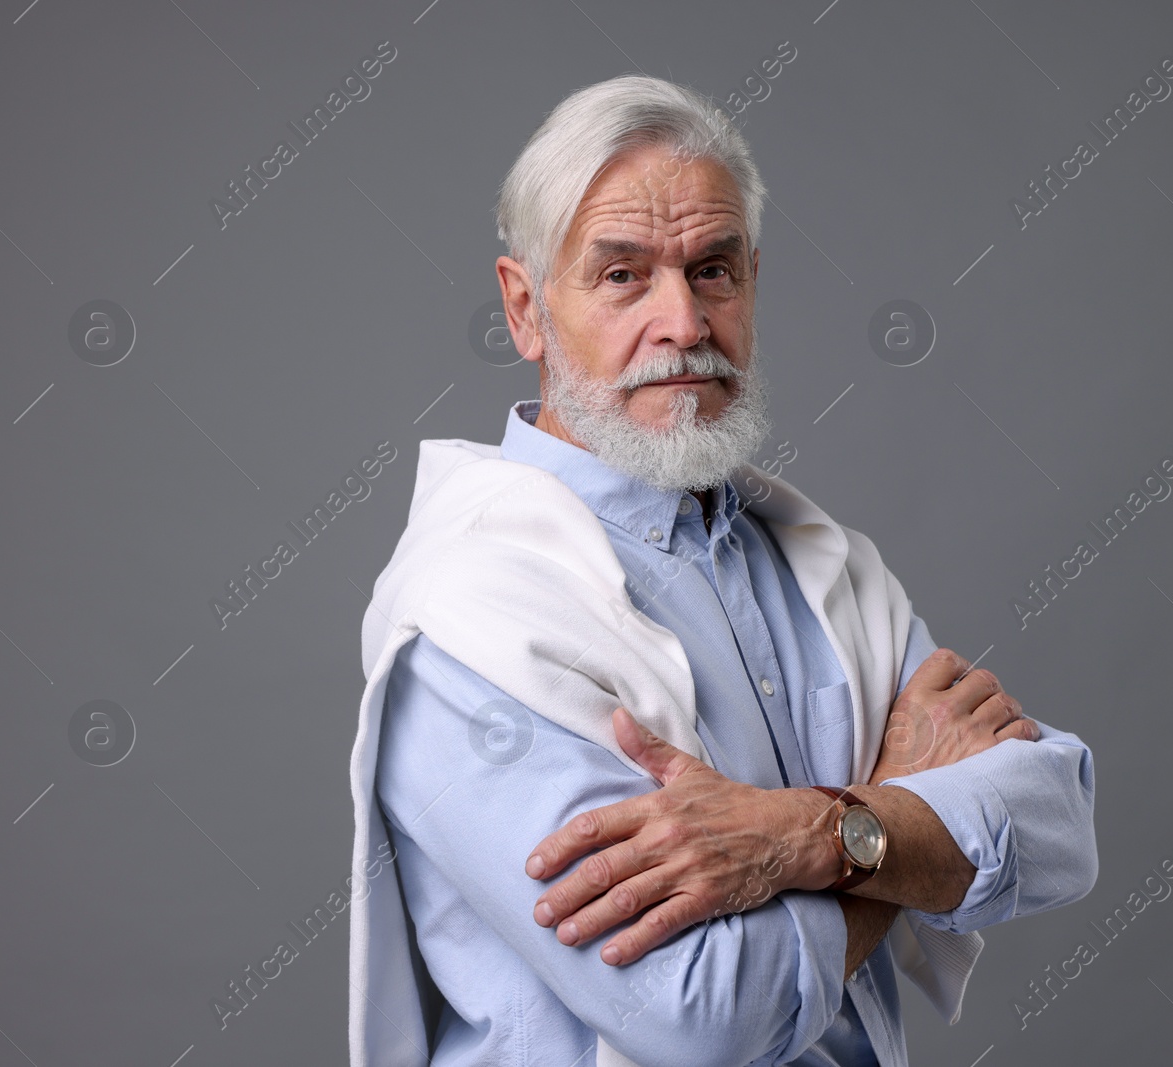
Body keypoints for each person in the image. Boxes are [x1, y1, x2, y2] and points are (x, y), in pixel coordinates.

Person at [347, 74, 1098, 1067]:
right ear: (526, 309)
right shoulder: (470, 619)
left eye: (712, 271)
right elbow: (705, 1014)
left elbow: (1058, 821)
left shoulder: (816, 560)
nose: (686, 324)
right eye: (623, 276)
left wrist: (805, 835)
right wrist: (901, 814)